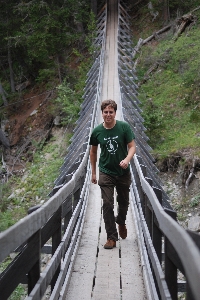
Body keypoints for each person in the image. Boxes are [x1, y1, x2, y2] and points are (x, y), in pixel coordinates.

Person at [89, 99, 136, 249]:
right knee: (107, 204)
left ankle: (121, 221)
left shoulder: (123, 127)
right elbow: (93, 152)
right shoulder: (97, 131)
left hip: (123, 172)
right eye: (105, 112)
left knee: (123, 203)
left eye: (111, 112)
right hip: (106, 171)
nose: (108, 114)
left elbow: (132, 146)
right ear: (102, 113)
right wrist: (94, 173)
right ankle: (111, 237)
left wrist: (127, 160)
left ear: (115, 113)